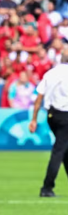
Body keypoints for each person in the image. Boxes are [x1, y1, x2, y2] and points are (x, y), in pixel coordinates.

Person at [29, 50, 68, 197]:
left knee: (65, 149)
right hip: (66, 115)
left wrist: (34, 119)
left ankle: (48, 187)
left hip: (51, 115)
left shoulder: (51, 73)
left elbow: (38, 97)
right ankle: (47, 187)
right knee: (59, 150)